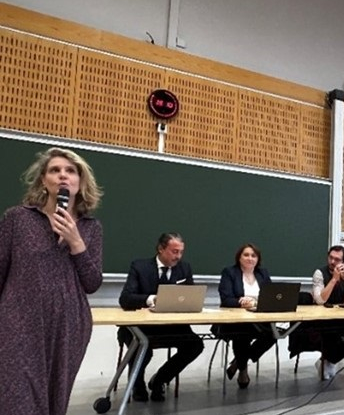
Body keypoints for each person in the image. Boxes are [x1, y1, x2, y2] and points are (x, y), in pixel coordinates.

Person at [0, 147, 104, 415]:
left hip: (68, 326)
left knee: (55, 401)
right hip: (18, 323)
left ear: (80, 182)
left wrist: (76, 243)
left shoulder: (91, 228)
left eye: (70, 171)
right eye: (54, 170)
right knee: (17, 400)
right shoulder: (18, 218)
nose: (62, 176)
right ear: (43, 181)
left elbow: (92, 283)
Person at [118, 232, 204, 402]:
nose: (178, 256)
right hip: (141, 327)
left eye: (181, 252)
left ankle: (160, 379)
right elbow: (125, 299)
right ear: (160, 249)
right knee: (143, 348)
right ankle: (137, 385)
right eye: (174, 251)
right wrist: (151, 299)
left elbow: (189, 297)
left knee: (195, 345)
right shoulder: (140, 267)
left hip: (172, 326)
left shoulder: (184, 268)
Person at [288, 245, 344, 380]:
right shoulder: (320, 273)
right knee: (330, 335)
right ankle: (328, 361)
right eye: (330, 258)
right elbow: (320, 300)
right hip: (320, 318)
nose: (332, 262)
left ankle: (329, 360)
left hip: (338, 316)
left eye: (337, 260)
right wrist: (334, 279)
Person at [211, 243, 276, 389]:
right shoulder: (230, 272)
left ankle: (239, 361)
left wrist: (257, 302)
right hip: (233, 321)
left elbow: (270, 296)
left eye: (253, 255)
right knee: (242, 335)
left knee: (274, 334)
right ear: (239, 257)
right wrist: (240, 302)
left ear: (258, 259)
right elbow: (226, 299)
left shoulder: (263, 273)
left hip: (258, 319)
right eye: (246, 255)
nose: (250, 258)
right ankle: (243, 370)